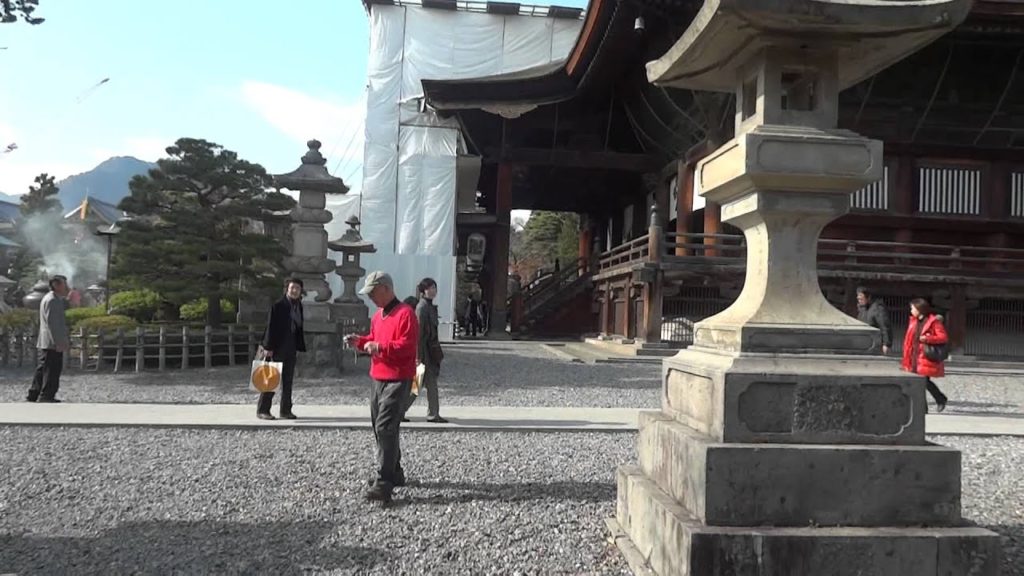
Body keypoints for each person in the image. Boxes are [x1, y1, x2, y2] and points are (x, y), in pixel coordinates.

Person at [344, 271, 418, 503]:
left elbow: (407, 346)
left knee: (385, 426)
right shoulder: (378, 316)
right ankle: (394, 471)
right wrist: (361, 342)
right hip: (378, 377)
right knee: (381, 426)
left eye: (373, 292)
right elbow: (373, 339)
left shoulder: (406, 314)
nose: (371, 298)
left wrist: (380, 347)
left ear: (386, 288)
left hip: (398, 377)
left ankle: (384, 481)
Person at [256, 277, 306, 420]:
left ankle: (285, 410)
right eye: (292, 288)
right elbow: (270, 328)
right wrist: (268, 347)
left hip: (291, 346)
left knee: (288, 381)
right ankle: (263, 409)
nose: (295, 291)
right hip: (277, 347)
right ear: (287, 289)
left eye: (298, 288)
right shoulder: (278, 306)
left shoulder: (299, 306)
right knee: (271, 379)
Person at [403, 278, 447, 423]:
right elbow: (419, 335)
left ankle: (432, 413)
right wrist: (418, 356)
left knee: (424, 384)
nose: (433, 290)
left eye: (434, 287)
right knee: (418, 385)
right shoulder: (422, 308)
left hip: (430, 351)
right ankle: (399, 411)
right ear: (423, 291)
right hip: (424, 353)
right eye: (430, 288)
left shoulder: (429, 307)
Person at [900, 298, 949, 412]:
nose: (911, 310)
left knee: (923, 381)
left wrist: (927, 338)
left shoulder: (933, 322)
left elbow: (943, 337)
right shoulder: (913, 321)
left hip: (924, 355)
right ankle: (928, 405)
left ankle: (938, 399)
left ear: (919, 309)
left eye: (913, 308)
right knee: (920, 382)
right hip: (913, 355)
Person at [26, 275, 70, 403]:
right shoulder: (53, 300)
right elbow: (53, 324)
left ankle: (34, 393)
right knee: (52, 368)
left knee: (43, 367)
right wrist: (59, 342)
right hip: (52, 342)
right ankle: (47, 395)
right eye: (63, 284)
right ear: (56, 285)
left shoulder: (50, 298)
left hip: (47, 340)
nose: (66, 287)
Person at [856, 287, 892, 355]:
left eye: (862, 299)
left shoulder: (878, 309)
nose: (859, 301)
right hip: (864, 341)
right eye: (858, 299)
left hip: (875, 342)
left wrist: (886, 344)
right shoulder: (862, 308)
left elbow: (885, 326)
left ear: (868, 297)